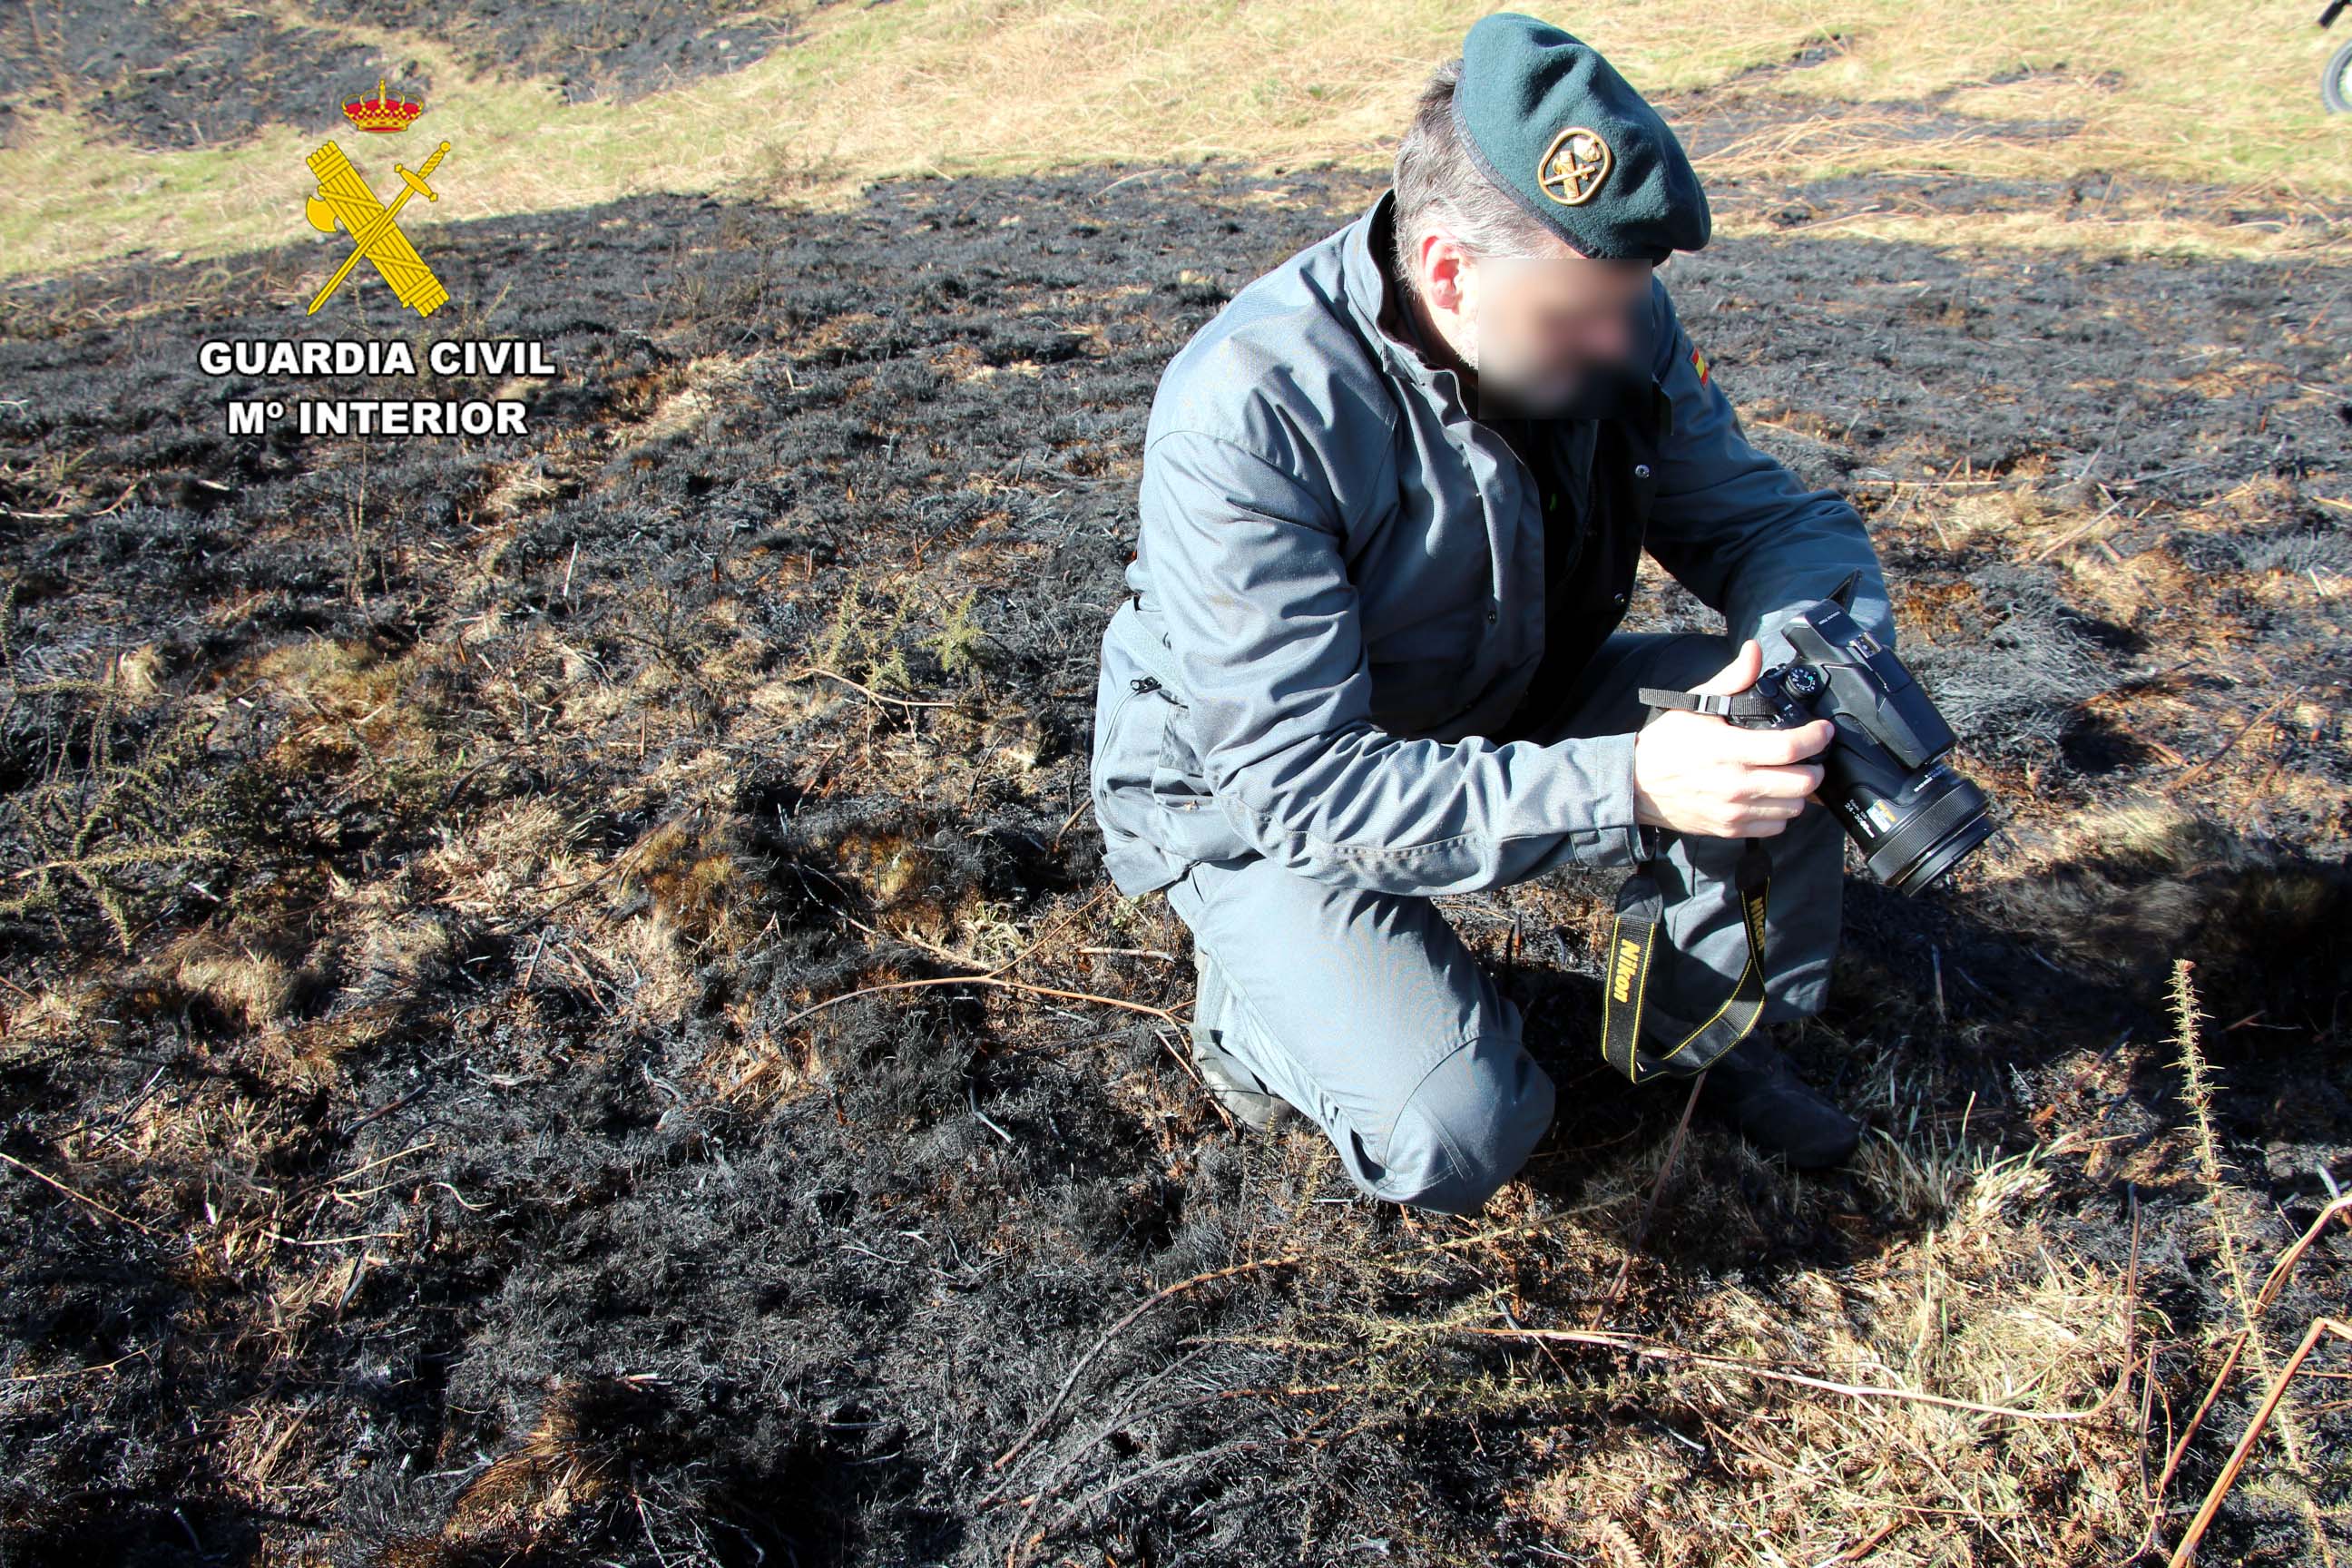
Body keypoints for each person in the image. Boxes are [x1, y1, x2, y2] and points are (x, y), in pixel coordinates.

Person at [1087, 11, 1901, 1215]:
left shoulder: (1608, 317)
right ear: (1449, 270)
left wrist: (1801, 654)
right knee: (1464, 1131)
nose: (1622, 340)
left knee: (1799, 722)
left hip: (1506, 690)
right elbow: (1302, 783)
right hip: (1251, 800)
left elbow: (1765, 525)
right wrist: (1629, 783)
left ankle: (1701, 1046)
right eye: (1580, 316)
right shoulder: (1252, 408)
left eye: (1630, 305)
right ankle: (1253, 1018)